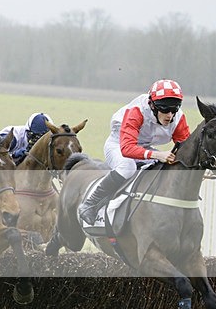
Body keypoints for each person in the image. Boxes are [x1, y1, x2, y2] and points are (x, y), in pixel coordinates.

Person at [78, 79, 191, 225]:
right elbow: (127, 149)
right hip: (119, 145)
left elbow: (186, 148)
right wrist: (158, 154)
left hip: (144, 147)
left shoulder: (178, 118)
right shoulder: (137, 111)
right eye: (165, 110)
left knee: (164, 167)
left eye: (174, 109)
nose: (170, 115)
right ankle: (90, 203)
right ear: (152, 105)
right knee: (127, 167)